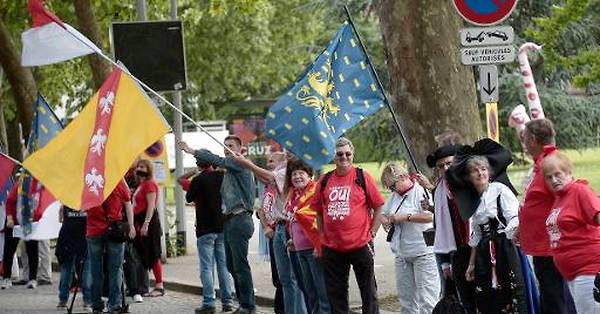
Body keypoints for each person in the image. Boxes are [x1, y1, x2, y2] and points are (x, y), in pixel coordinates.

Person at [178, 135, 257, 314]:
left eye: (231, 145)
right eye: (225, 145)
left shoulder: (240, 163)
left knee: (239, 266)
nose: (227, 148)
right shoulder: (228, 170)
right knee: (230, 265)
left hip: (239, 219)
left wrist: (192, 151)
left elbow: (216, 160)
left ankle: (248, 305)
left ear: (239, 148)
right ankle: (242, 303)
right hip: (227, 221)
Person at [310, 137, 384, 314]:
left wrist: (372, 233)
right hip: (332, 248)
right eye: (339, 154)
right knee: (336, 295)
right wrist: (321, 237)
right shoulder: (325, 180)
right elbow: (318, 211)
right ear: (333, 156)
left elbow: (379, 206)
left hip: (360, 245)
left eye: (347, 154)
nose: (344, 157)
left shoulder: (362, 176)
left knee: (369, 293)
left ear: (353, 155)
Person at [233, 151, 307, 314]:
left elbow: (268, 177)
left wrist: (246, 163)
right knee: (285, 280)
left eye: (272, 160)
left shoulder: (287, 171)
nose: (268, 163)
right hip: (278, 228)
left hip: (289, 226)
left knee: (295, 279)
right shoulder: (277, 174)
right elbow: (263, 197)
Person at [517, 118, 574, 313]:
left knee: (555, 300)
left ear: (532, 139)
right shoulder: (541, 164)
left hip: (551, 247)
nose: (523, 142)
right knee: (553, 298)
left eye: (524, 138)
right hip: (543, 248)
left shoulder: (550, 165)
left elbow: (569, 197)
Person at [457, 156, 528, 313]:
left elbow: (516, 218)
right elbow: (476, 236)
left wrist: (510, 237)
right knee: (486, 293)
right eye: (475, 171)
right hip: (484, 252)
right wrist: (471, 264)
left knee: (511, 290)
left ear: (489, 172)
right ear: (469, 177)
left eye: (483, 169)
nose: (480, 173)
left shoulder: (500, 190)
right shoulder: (472, 200)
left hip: (505, 247)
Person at [416, 144, 476, 312]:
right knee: (464, 300)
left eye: (449, 163)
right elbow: (440, 226)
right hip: (456, 253)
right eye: (441, 166)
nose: (446, 168)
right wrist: (444, 263)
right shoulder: (439, 191)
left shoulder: (471, 184)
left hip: (478, 250)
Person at [542, 152, 600, 313]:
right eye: (549, 177)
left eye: (558, 174)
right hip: (572, 273)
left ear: (568, 173)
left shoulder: (579, 191)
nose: (554, 180)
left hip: (589, 269)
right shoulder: (560, 198)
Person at [381, 162, 439, 314]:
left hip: (423, 252)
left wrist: (405, 217)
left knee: (427, 301)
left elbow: (431, 216)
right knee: (407, 301)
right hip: (402, 254)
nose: (392, 190)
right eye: (389, 188)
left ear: (402, 177)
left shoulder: (420, 192)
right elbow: (384, 212)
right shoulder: (395, 197)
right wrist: (384, 220)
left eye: (392, 186)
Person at [179, 160, 234, 313]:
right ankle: (227, 301)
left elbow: (188, 196)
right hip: (222, 226)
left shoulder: (198, 180)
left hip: (205, 228)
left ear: (199, 164)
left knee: (206, 267)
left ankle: (209, 302)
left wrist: (195, 172)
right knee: (223, 266)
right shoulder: (222, 177)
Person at [285, 159, 331, 314]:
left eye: (301, 173)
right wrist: (292, 238)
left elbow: (318, 219)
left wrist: (319, 246)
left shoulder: (314, 192)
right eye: (294, 174)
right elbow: (294, 220)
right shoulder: (294, 195)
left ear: (309, 175)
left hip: (314, 249)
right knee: (310, 292)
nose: (297, 177)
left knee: (322, 292)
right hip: (299, 250)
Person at [86, 179, 136, 314]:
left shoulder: (88, 179)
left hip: (93, 229)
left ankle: (96, 304)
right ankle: (114, 304)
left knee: (95, 269)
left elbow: (83, 205)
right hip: (115, 230)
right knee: (116, 269)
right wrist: (131, 226)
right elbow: (127, 203)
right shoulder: (118, 180)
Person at [131, 159, 164, 297]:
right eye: (138, 166)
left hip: (148, 222)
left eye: (143, 167)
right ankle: (145, 285)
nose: (140, 168)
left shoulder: (149, 184)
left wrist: (146, 223)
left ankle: (159, 285)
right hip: (140, 221)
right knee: (144, 253)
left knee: (153, 253)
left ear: (148, 169)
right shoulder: (142, 184)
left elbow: (151, 205)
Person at [1, 183, 39, 289]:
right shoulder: (21, 183)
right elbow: (9, 201)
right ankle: (6, 278)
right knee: (9, 249)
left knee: (32, 249)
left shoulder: (40, 187)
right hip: (14, 220)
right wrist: (9, 218)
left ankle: (32, 278)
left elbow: (40, 206)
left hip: (30, 221)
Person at [55, 205, 91, 310]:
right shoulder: (89, 201)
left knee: (66, 269)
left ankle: (63, 299)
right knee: (86, 270)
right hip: (84, 237)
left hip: (67, 237)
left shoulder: (67, 200)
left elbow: (60, 219)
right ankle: (87, 300)